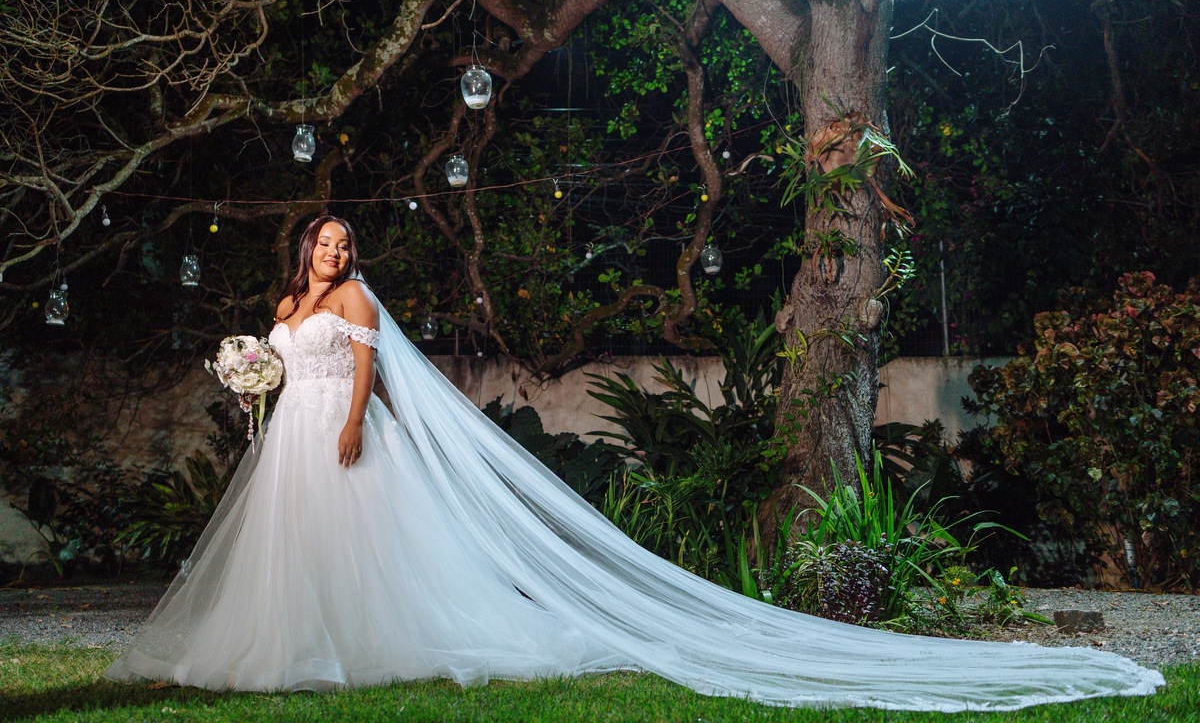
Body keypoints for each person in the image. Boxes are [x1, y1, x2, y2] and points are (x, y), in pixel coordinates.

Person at [107, 215, 1164, 710]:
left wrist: (349, 426)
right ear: (303, 251)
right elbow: (277, 365)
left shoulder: (356, 303)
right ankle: (285, 640)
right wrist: (259, 381)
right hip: (285, 435)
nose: (335, 254)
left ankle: (353, 638)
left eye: (344, 243)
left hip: (336, 433)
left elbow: (375, 379)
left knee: (358, 547)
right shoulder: (290, 308)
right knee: (286, 553)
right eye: (324, 244)